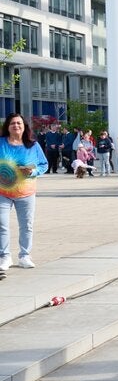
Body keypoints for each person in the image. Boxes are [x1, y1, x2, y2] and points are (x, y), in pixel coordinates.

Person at [0, 113, 49, 271]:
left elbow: (43, 164)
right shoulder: (1, 143)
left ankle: (25, 255)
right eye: (13, 123)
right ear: (8, 126)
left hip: (26, 192)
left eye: (19, 123)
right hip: (2, 192)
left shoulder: (33, 145)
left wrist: (33, 172)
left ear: (24, 126)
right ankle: (5, 256)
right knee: (2, 225)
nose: (16, 126)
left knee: (26, 225)